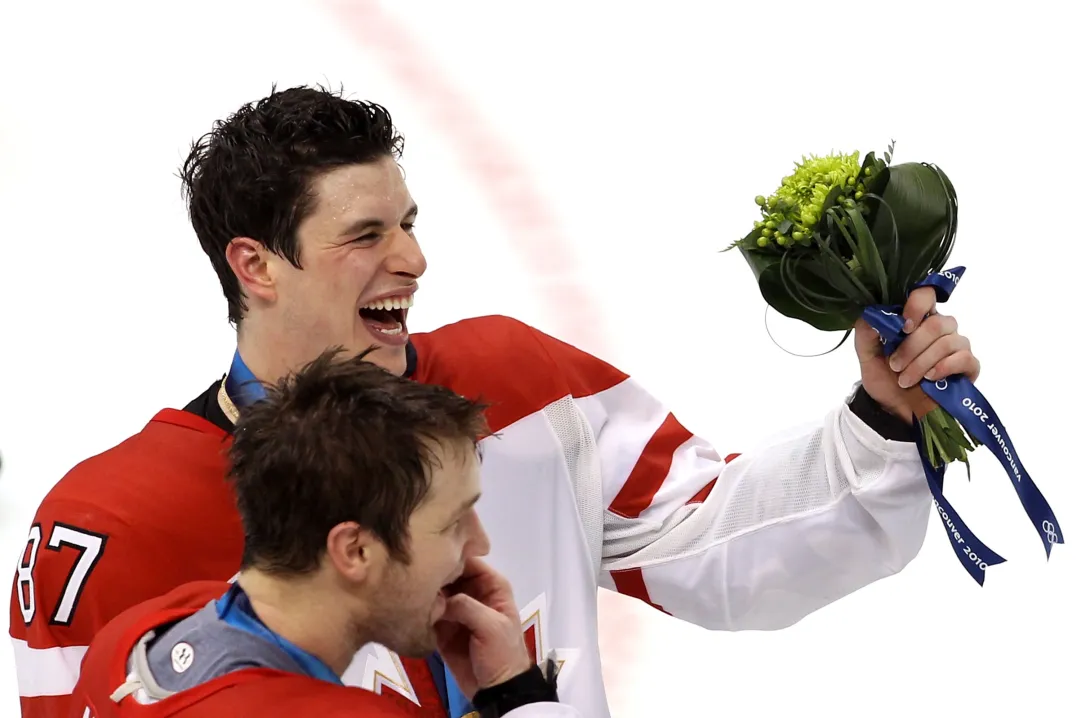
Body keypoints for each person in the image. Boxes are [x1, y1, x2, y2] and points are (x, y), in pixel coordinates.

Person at [11, 85, 983, 718]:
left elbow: (721, 550)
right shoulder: (113, 522)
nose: (413, 260)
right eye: (366, 234)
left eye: (410, 223)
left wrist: (881, 413)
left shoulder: (515, 383)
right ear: (256, 266)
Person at [69, 347, 575, 718]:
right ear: (354, 550)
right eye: (453, 522)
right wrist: (517, 694)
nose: (480, 545)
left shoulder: (135, 636)